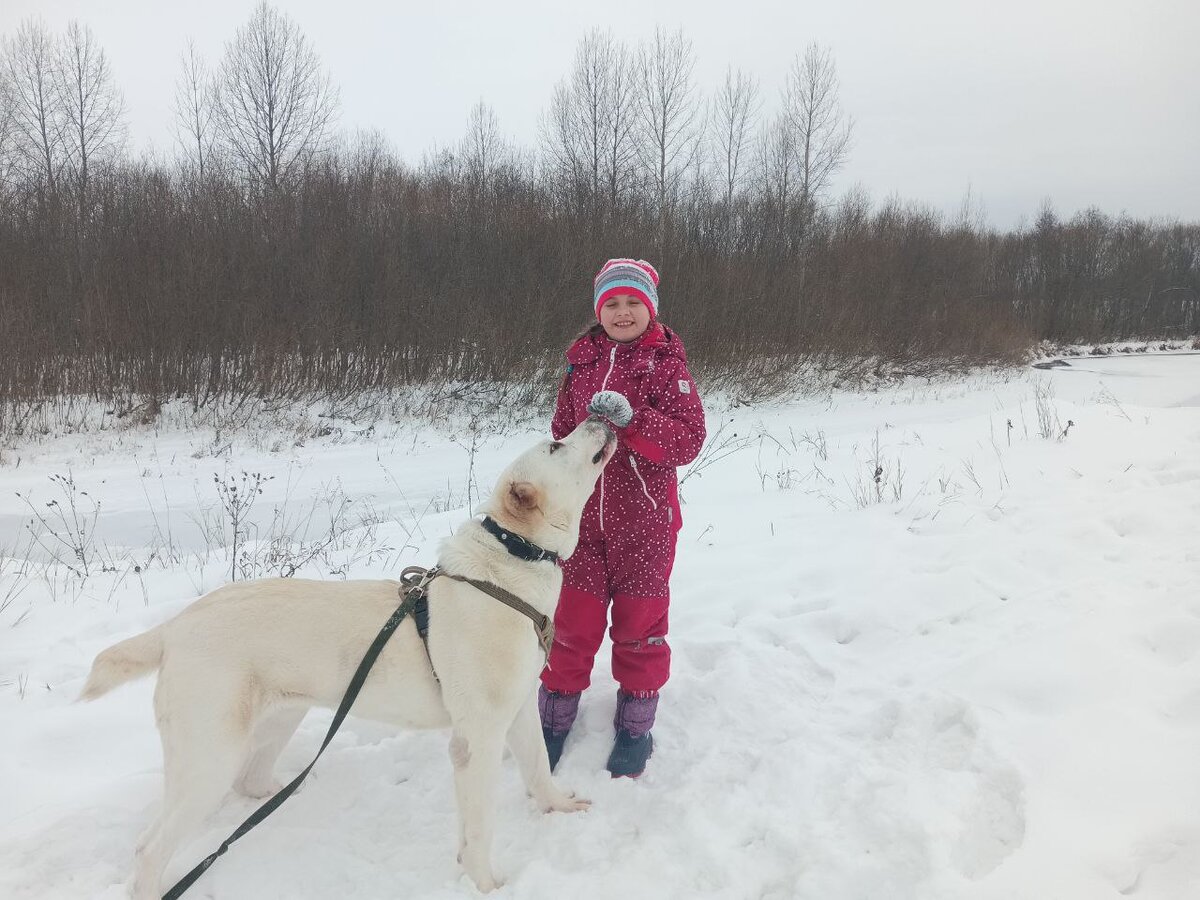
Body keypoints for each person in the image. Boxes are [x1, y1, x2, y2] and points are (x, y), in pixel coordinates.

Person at [539, 258, 706, 777]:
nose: (623, 311)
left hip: (645, 530)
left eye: (633, 302)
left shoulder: (665, 364)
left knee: (640, 630)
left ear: (650, 308)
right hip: (582, 527)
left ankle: (636, 725)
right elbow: (563, 432)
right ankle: (552, 721)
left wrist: (634, 421)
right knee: (570, 627)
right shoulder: (579, 362)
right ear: (599, 310)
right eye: (612, 302)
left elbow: (687, 440)